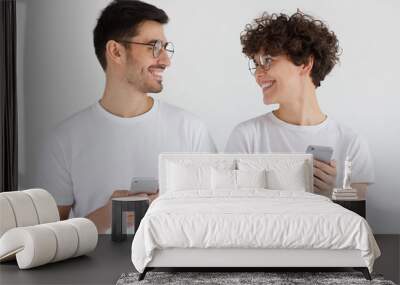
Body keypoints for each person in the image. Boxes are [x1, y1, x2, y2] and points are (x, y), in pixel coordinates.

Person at [35, 0, 216, 233]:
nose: (166, 60)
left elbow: (213, 220)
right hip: (93, 269)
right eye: (154, 46)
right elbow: (46, 239)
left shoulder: (191, 130)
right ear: (116, 51)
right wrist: (112, 212)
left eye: (166, 48)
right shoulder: (63, 141)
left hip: (173, 268)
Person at [225, 11, 374, 198]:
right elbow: (233, 213)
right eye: (256, 64)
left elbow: (357, 221)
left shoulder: (352, 144)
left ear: (305, 63)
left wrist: (330, 194)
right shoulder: (247, 137)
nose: (257, 74)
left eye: (267, 60)